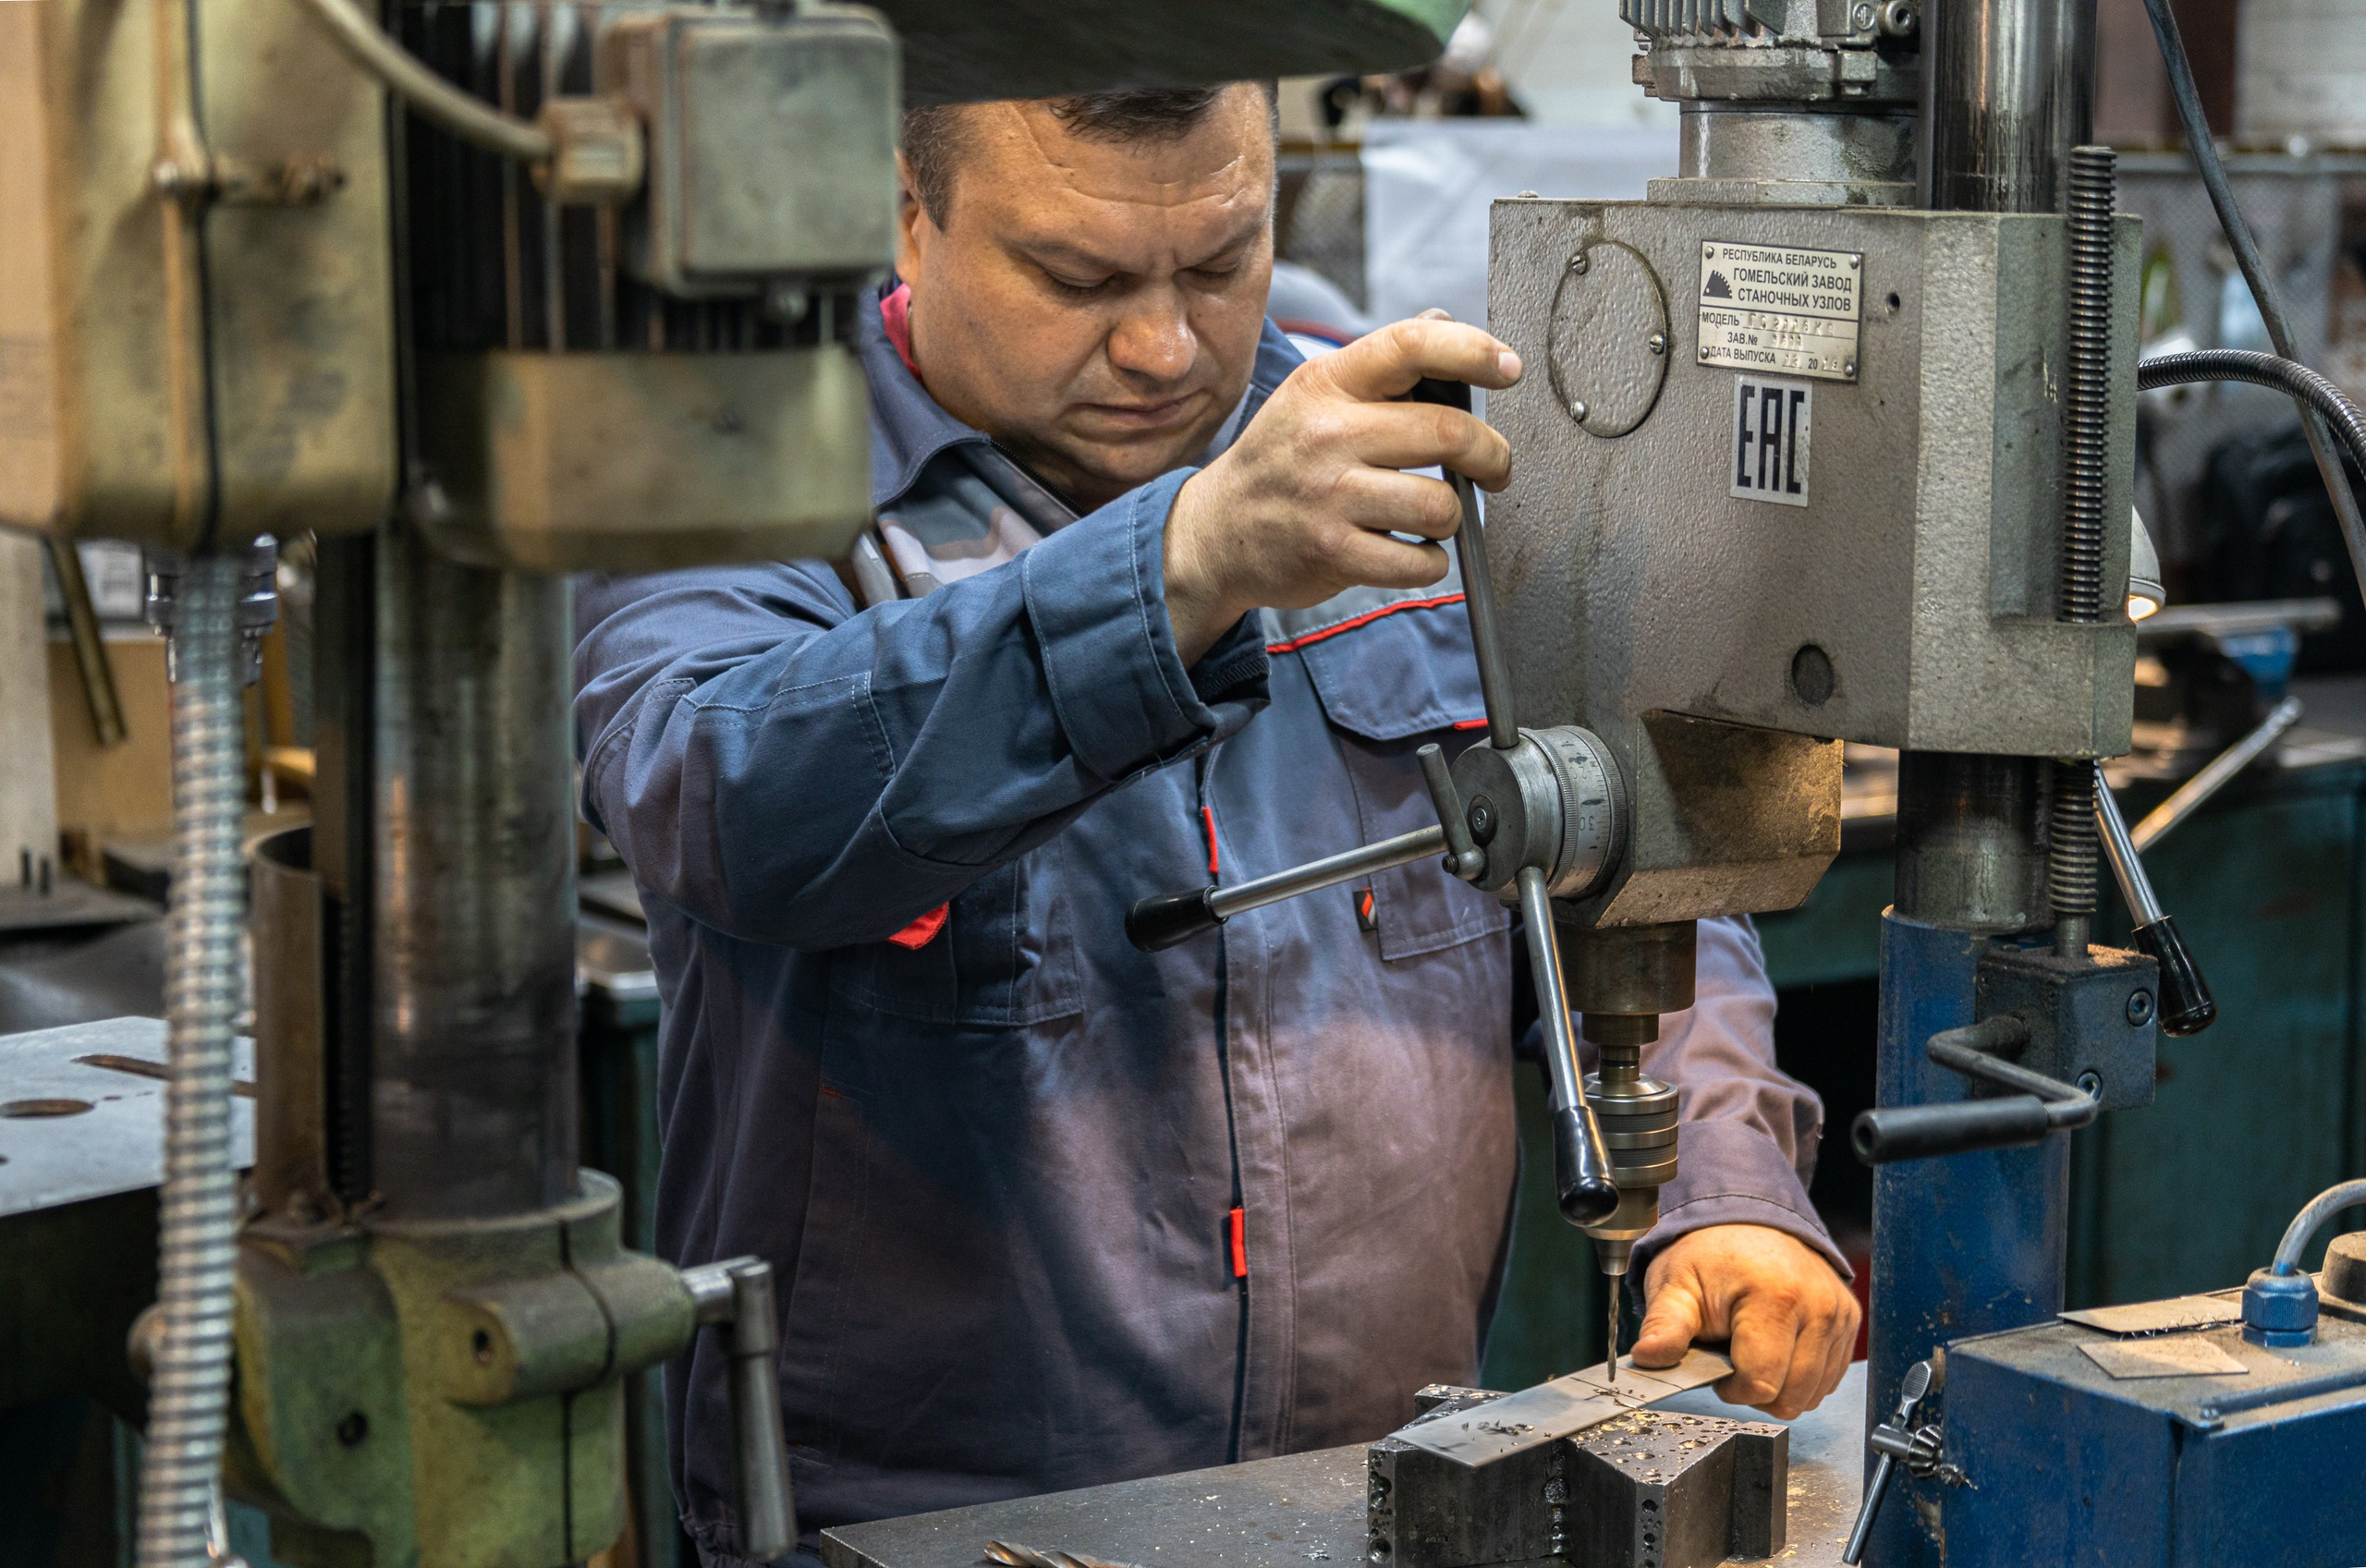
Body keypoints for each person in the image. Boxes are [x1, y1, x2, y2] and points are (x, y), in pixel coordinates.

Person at [573, 82, 1859, 1568]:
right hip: (923, 1534)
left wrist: (1724, 1181)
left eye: (1221, 259)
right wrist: (1175, 569)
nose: (1164, 347)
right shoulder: (733, 479)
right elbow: (722, 798)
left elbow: (1620, 845)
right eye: (1078, 277)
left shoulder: (1400, 454)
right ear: (907, 214)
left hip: (1387, 1509)